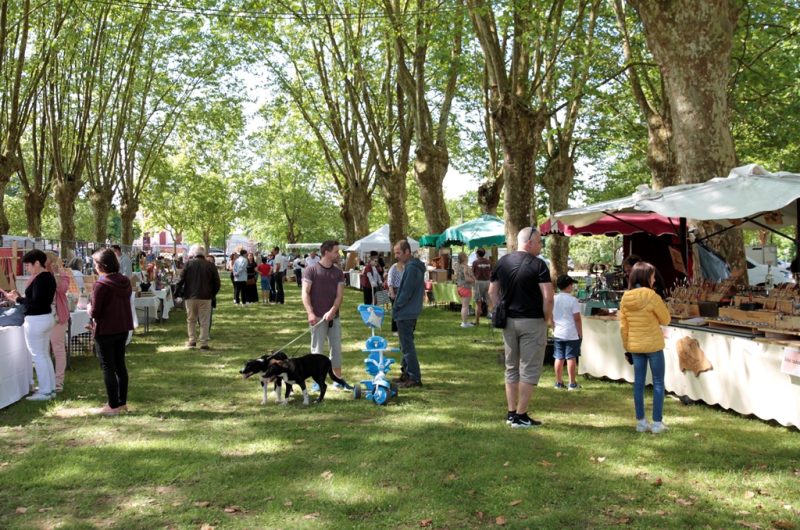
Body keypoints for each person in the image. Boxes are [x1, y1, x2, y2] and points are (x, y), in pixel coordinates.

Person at [488, 227, 554, 428]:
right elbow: (548, 297)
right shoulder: (539, 265)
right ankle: (521, 415)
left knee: (511, 367)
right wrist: (547, 319)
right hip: (532, 321)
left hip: (508, 322)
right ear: (529, 242)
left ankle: (511, 413)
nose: (541, 246)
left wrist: (499, 309)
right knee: (529, 368)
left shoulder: (502, 262)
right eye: (540, 242)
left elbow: (492, 292)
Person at [619, 261, 672, 434]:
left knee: (638, 383)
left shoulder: (625, 298)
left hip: (635, 345)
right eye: (652, 276)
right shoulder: (652, 296)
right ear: (646, 277)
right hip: (653, 345)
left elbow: (623, 326)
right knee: (658, 383)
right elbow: (666, 319)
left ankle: (641, 422)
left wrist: (627, 346)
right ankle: (657, 423)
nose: (654, 279)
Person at [6, 250, 57, 401]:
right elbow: (38, 300)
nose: (27, 268)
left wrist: (18, 299)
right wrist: (19, 298)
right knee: (44, 355)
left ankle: (45, 391)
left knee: (38, 356)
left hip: (37, 320)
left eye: (28, 265)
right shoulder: (48, 277)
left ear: (37, 263)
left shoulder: (41, 279)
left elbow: (35, 302)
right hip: (45, 318)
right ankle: (50, 388)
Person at [88, 248, 134, 415]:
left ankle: (113, 405)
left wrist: (89, 309)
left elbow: (95, 312)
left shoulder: (101, 285)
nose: (94, 267)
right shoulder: (125, 281)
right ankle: (122, 403)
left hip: (106, 330)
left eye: (95, 264)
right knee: (120, 365)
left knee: (108, 367)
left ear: (102, 265)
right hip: (122, 327)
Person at [302, 240, 349, 386]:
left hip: (334, 318)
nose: (338, 254)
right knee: (317, 351)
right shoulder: (311, 270)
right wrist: (310, 313)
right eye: (336, 251)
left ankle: (337, 379)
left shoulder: (338, 272)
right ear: (327, 252)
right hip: (317, 318)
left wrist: (332, 311)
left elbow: (339, 296)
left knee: (336, 349)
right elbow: (305, 293)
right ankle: (317, 382)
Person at [391, 240, 426, 388]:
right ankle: (406, 374)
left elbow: (406, 292)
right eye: (395, 253)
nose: (396, 256)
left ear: (407, 252)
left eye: (399, 253)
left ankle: (414, 377)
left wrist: (396, 306)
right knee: (405, 346)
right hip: (409, 312)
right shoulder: (413, 267)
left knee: (407, 347)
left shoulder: (412, 268)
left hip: (406, 312)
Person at [182, 244, 221, 350]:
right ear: (204, 254)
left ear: (194, 254)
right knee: (204, 320)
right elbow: (217, 282)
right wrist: (212, 294)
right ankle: (204, 342)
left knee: (191, 319)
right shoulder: (210, 265)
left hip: (190, 296)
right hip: (206, 296)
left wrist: (179, 293)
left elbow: (181, 279)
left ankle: (192, 340)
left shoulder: (188, 264)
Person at [552, 275, 582, 391]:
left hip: (558, 332)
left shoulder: (554, 298)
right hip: (571, 333)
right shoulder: (573, 300)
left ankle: (558, 382)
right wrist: (580, 333)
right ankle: (572, 383)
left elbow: (551, 316)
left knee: (558, 357)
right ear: (569, 286)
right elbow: (577, 319)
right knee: (571, 357)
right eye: (571, 285)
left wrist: (554, 327)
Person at [46, 252, 70, 392]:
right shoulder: (40, 275)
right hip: (43, 316)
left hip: (58, 316)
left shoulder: (62, 274)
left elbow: (62, 289)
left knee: (58, 349)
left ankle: (58, 382)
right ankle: (47, 380)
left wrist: (56, 274)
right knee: (44, 350)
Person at [454, 251, 475, 328]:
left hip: (459, 287)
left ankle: (465, 321)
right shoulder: (466, 267)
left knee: (464, 306)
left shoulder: (457, 266)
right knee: (465, 306)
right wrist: (473, 280)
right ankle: (464, 323)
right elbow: (467, 279)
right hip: (466, 287)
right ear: (465, 258)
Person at [472, 248, 492, 326]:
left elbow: (472, 273)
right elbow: (491, 272)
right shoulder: (489, 262)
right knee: (489, 302)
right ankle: (493, 320)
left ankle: (477, 321)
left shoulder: (475, 262)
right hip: (488, 282)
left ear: (477, 254)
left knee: (478, 303)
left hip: (478, 283)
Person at [386, 259, 405, 334]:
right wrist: (392, 293)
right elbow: (390, 282)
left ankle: (401, 329)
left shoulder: (404, 268)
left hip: (402, 292)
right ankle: (395, 330)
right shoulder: (393, 268)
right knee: (396, 311)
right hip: (394, 291)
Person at [204, 254, 218, 337]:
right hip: (199, 296)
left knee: (208, 316)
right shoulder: (201, 269)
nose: (208, 262)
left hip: (210, 296)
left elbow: (217, 283)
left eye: (210, 261)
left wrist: (212, 294)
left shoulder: (214, 271)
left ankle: (207, 333)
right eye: (207, 260)